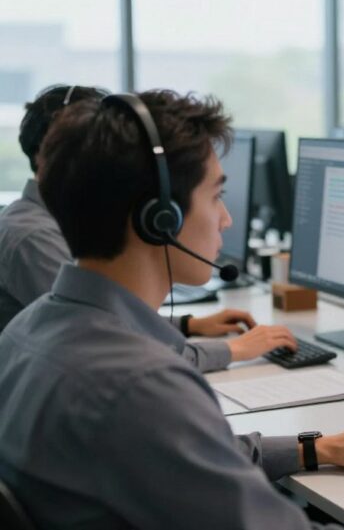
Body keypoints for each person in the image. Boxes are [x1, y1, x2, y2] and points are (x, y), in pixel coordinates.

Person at [0, 89, 344, 529]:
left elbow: (183, 459)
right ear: (158, 219)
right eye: (216, 196)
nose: (227, 220)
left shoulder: (30, 331)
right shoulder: (141, 386)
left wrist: (318, 448)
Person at [0, 84, 297, 371]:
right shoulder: (32, 236)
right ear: (162, 217)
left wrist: (187, 325)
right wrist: (234, 349)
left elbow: (107, 320)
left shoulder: (28, 328)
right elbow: (102, 338)